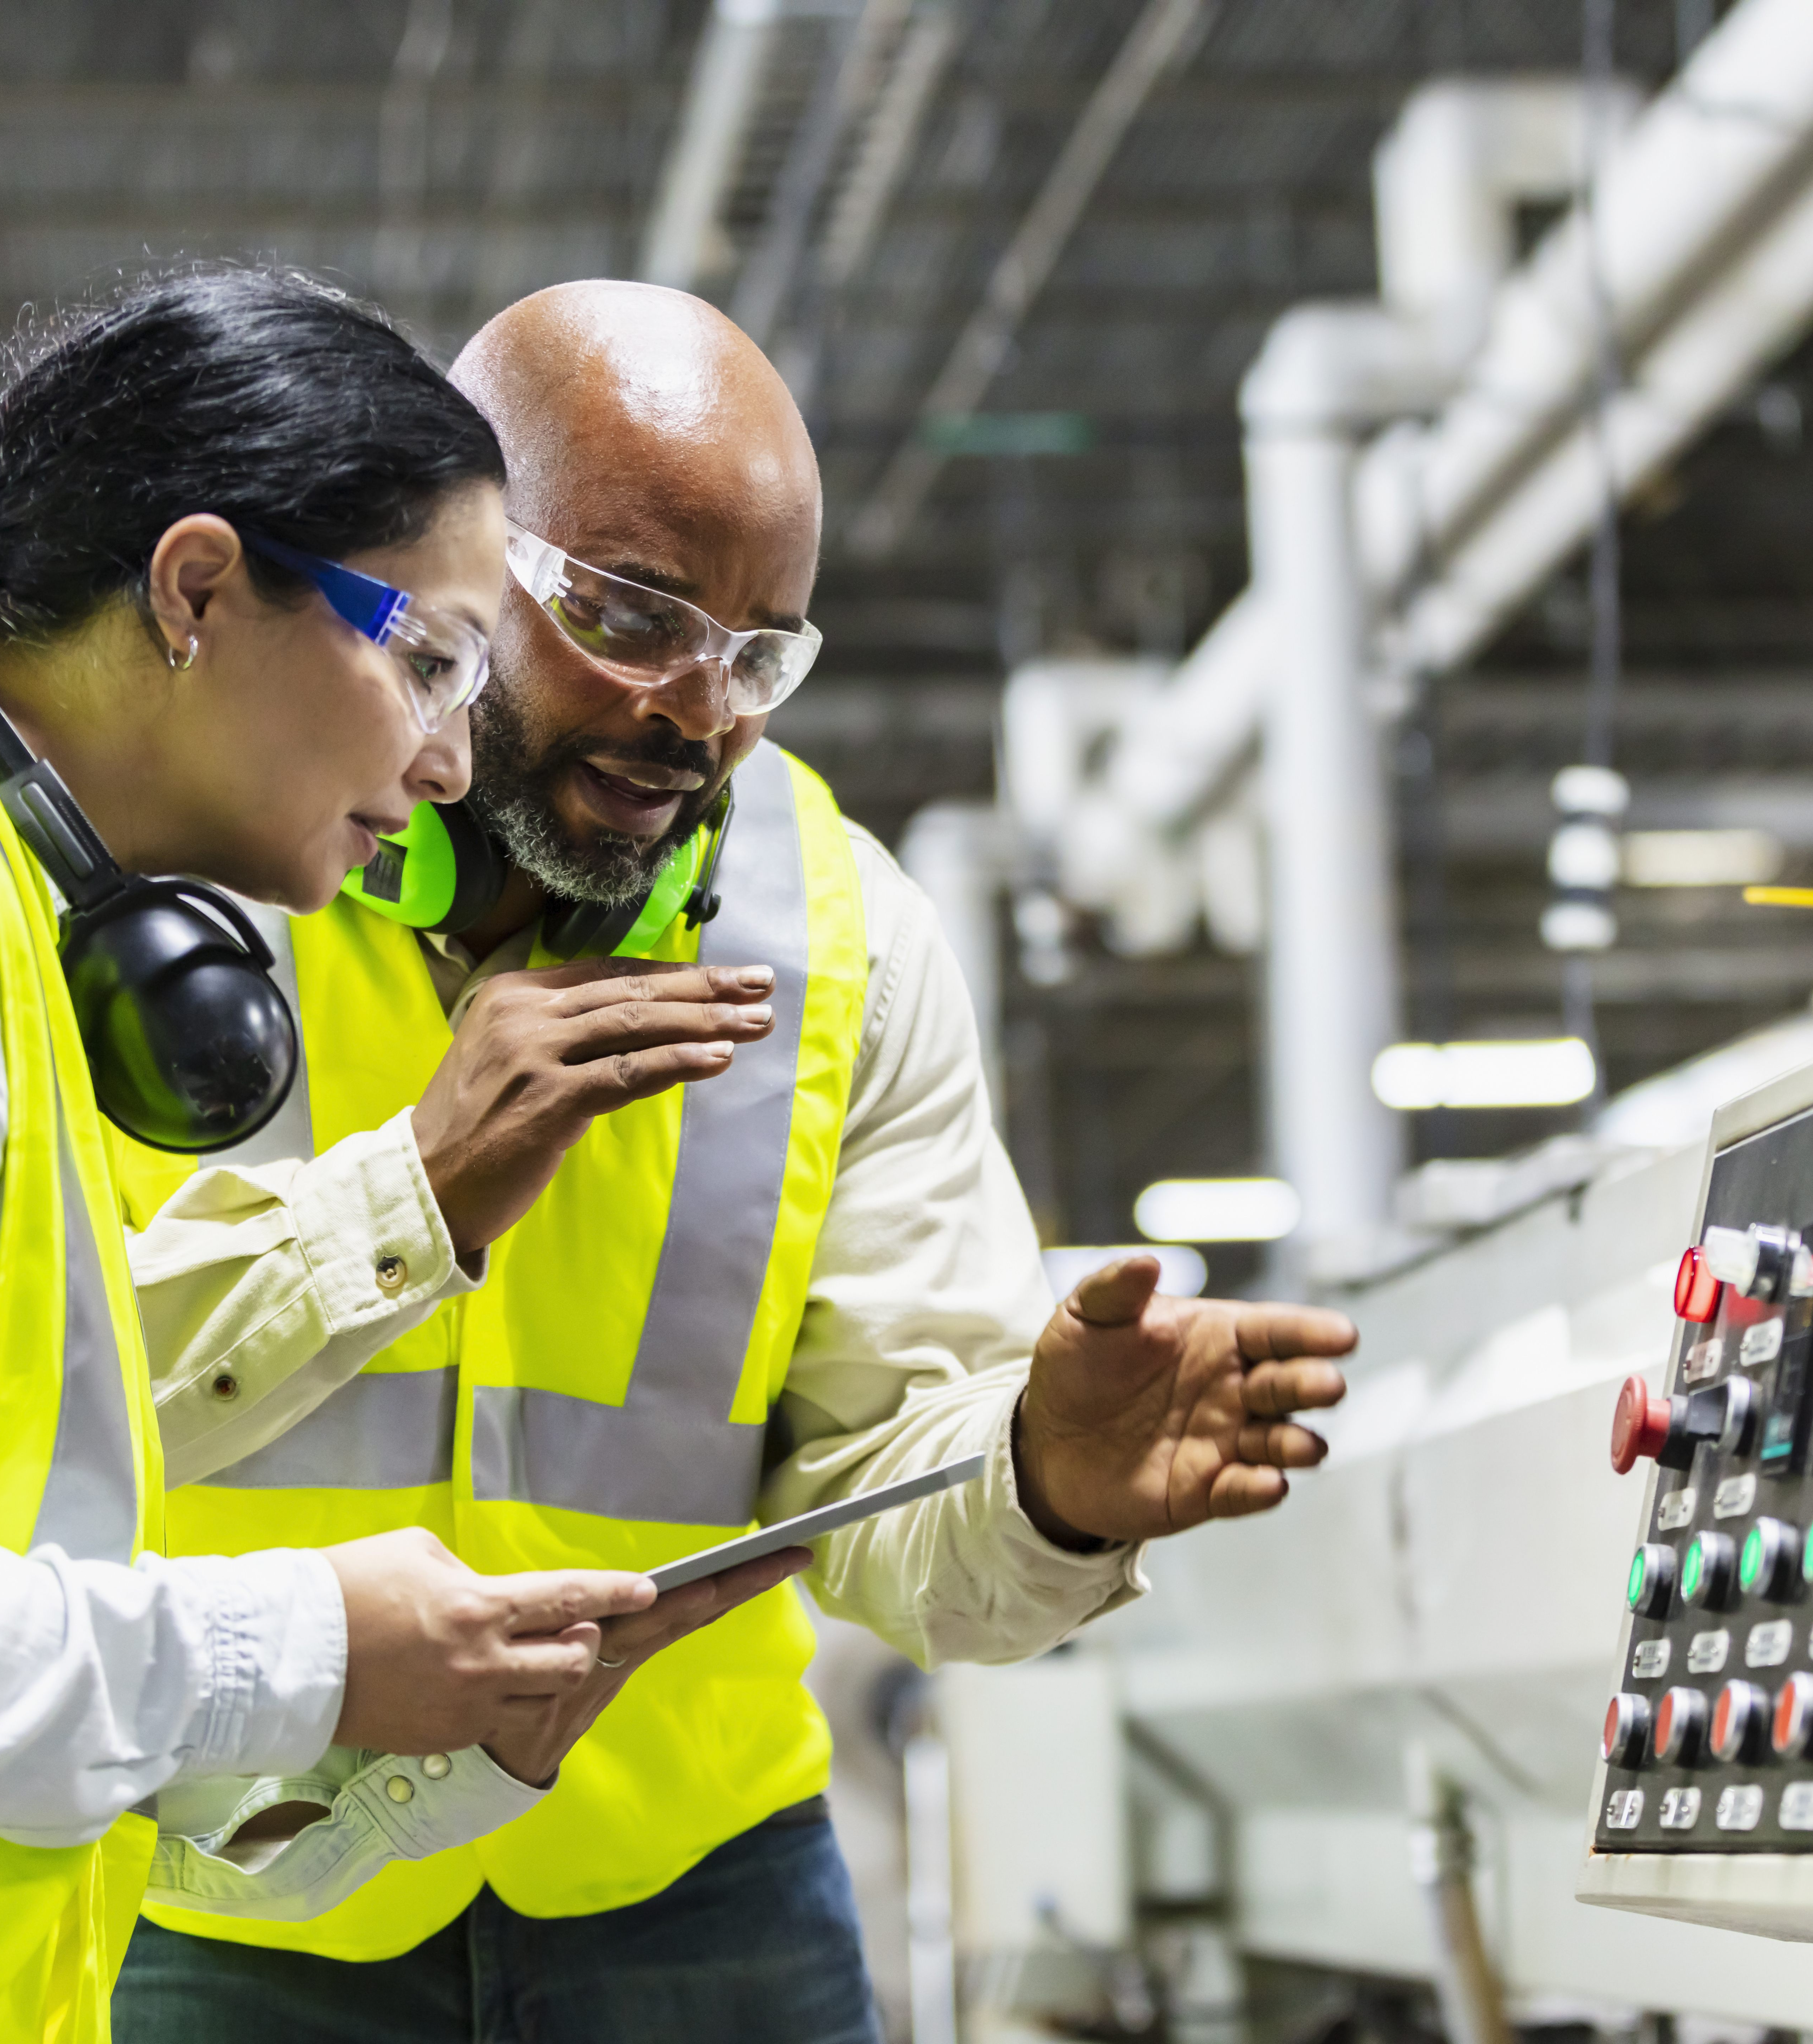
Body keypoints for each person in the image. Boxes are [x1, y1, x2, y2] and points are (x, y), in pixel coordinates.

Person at [0, 270, 800, 2044]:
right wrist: (311, 1646)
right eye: (421, 658)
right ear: (194, 590)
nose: (437, 757)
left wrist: (393, 1733)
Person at [107, 279, 1357, 2043]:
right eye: (631, 613)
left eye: (759, 648)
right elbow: (23, 1392)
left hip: (691, 1890)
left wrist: (1035, 1475)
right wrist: (407, 1199)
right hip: (217, 1856)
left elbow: (888, 1496)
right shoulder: (182, 867)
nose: (699, 711)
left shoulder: (841, 940)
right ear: (461, 560)